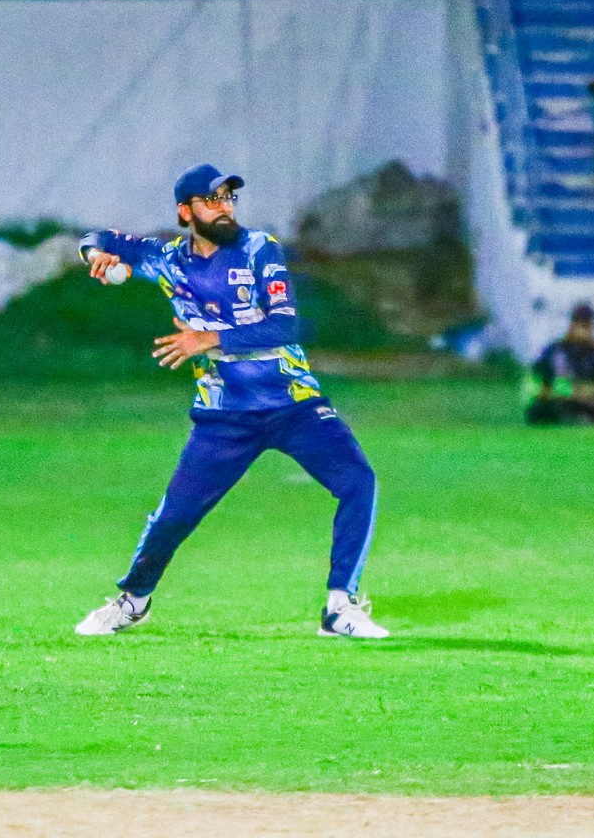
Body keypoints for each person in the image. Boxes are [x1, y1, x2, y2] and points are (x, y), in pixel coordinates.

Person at [73, 164, 388, 640]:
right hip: (224, 417)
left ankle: (340, 606)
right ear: (186, 212)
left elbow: (284, 326)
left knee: (358, 481)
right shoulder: (167, 259)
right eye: (212, 200)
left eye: (228, 198)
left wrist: (208, 338)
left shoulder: (260, 249)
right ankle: (133, 602)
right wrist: (95, 255)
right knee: (174, 516)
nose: (224, 208)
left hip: (294, 404)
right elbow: (96, 238)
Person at [525, 301, 594, 424]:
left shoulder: (593, 351)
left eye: (591, 327)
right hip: (552, 400)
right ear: (573, 326)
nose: (590, 331)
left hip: (585, 399)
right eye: (585, 326)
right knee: (560, 404)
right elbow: (564, 389)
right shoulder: (559, 350)